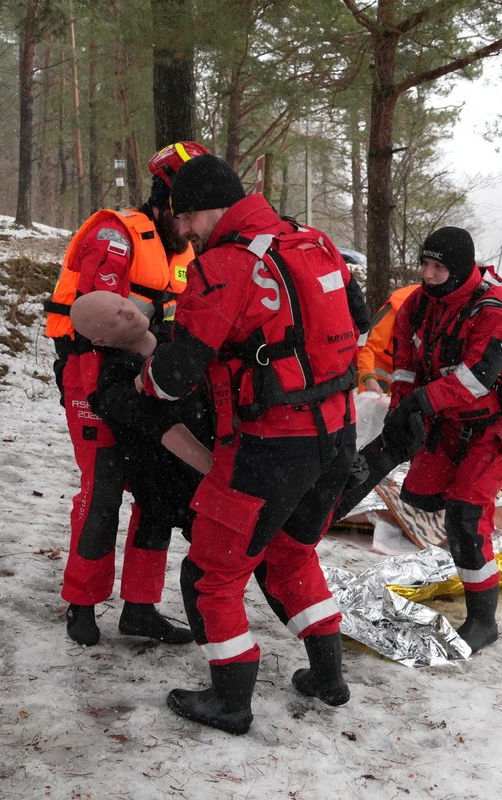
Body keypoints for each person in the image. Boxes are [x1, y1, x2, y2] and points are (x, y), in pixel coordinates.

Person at [136, 154, 359, 735]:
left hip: (269, 448)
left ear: (210, 207)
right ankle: (328, 678)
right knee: (291, 555)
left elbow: (175, 375)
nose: (184, 230)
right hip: (337, 438)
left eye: (187, 217)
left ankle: (230, 701)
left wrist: (144, 375)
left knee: (211, 575)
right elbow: (355, 316)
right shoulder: (314, 242)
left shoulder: (224, 265)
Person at [43, 141, 210, 647]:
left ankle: (140, 607)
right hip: (93, 375)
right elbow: (102, 315)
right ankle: (82, 601)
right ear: (164, 202)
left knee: (157, 492)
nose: (189, 227)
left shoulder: (187, 249)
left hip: (151, 376)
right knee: (104, 489)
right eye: (184, 214)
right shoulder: (115, 235)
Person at [381, 226, 502, 653]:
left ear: (461, 269)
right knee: (424, 496)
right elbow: (405, 363)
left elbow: (477, 378)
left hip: (497, 423)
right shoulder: (417, 305)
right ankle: (470, 566)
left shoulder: (494, 309)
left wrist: (421, 403)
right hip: (448, 419)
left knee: (466, 517)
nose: (427, 274)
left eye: (438, 267)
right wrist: (400, 407)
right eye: (424, 264)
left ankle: (484, 620)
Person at [70, 290, 212, 534]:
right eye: (116, 318)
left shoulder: (175, 335)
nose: (129, 312)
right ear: (101, 341)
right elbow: (163, 426)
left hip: (225, 451)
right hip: (180, 486)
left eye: (123, 303)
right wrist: (219, 474)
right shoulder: (115, 384)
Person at [356, 283, 420, 394]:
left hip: (407, 376)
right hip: (379, 371)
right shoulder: (398, 308)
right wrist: (368, 377)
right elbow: (369, 348)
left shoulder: (444, 312)